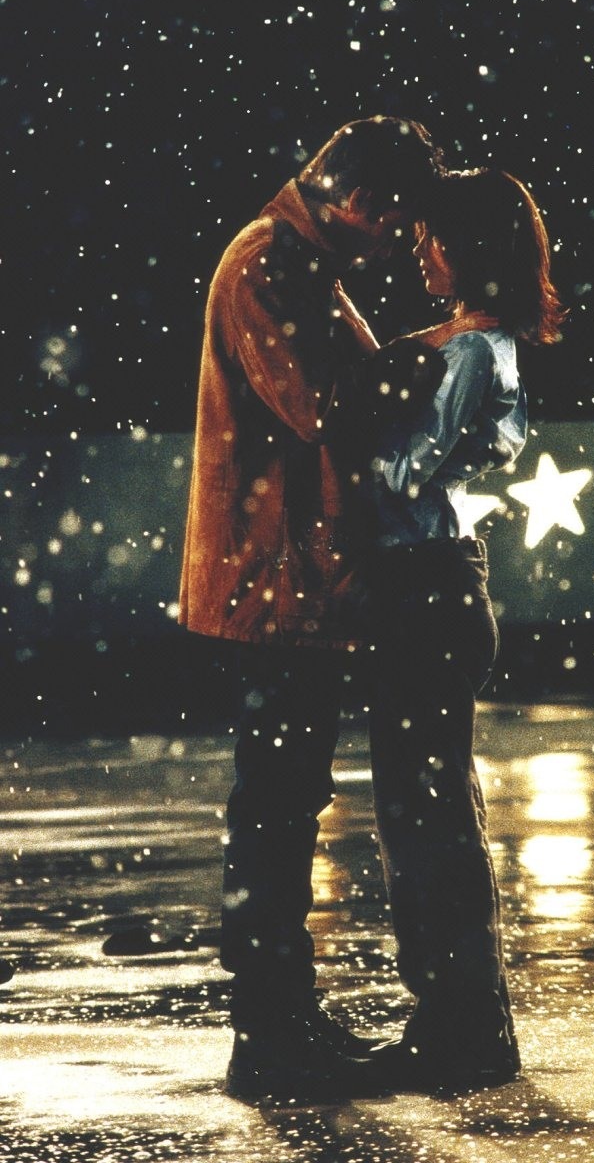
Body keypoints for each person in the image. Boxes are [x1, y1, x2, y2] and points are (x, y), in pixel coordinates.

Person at [178, 116, 447, 1102]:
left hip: (293, 579)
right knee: (275, 808)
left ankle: (281, 1022)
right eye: (399, 220)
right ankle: (270, 1037)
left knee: (284, 804)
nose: (399, 241)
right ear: (363, 201)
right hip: (278, 582)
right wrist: (440, 348)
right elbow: (325, 407)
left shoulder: (298, 262)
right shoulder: (269, 265)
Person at [336, 167, 566, 1091]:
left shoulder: (471, 351)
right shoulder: (477, 342)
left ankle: (459, 1030)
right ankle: (462, 1023)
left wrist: (341, 421)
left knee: (424, 821)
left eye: (431, 235)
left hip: (424, 587)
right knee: (430, 813)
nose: (419, 248)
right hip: (435, 587)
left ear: (466, 246)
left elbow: (402, 471)